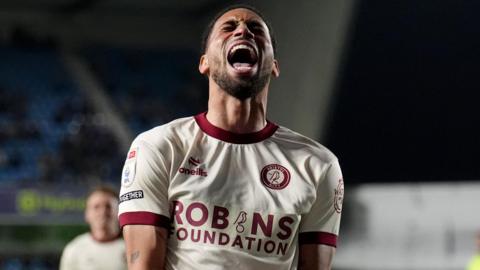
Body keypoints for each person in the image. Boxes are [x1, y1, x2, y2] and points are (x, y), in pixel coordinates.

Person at [118, 4, 344, 270]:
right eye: (229, 27)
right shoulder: (159, 147)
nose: (243, 31)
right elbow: (143, 263)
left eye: (255, 29)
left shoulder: (318, 164)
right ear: (204, 63)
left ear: (273, 65)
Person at [60, 185, 127, 270]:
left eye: (108, 206)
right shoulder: (74, 249)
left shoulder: (131, 247)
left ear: (119, 211)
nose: (103, 212)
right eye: (96, 207)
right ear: (87, 214)